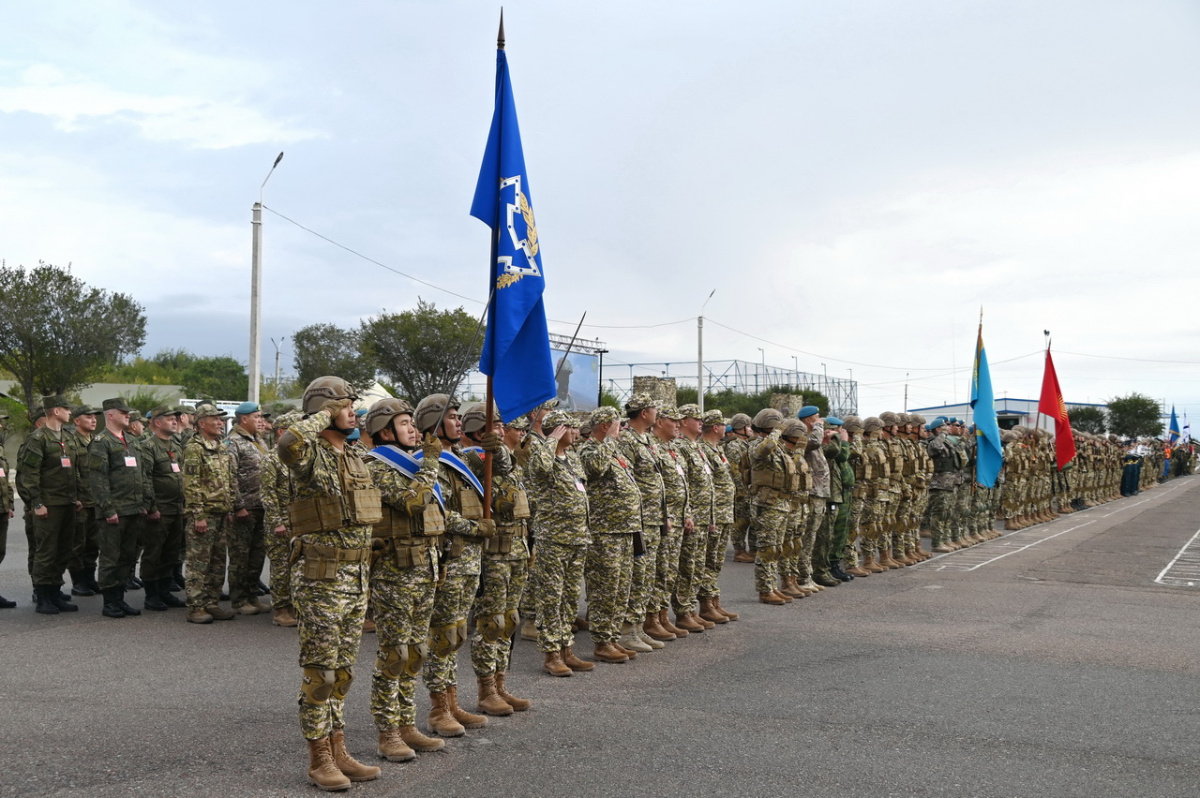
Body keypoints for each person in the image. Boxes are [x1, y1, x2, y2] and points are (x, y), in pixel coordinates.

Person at [277, 376, 382, 791]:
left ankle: (339, 749)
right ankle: (319, 758)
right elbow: (287, 444)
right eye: (344, 405)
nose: (352, 412)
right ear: (323, 410)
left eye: (352, 405)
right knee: (320, 673)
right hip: (321, 578)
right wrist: (323, 413)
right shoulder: (309, 453)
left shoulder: (354, 454)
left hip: (356, 577)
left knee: (341, 671)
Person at [361, 398, 447, 760]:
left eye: (413, 422)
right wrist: (430, 463)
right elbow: (412, 503)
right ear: (385, 433)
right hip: (394, 572)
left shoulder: (413, 463)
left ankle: (407, 723)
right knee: (394, 654)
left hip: (423, 567)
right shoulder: (377, 466)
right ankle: (388, 732)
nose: (413, 429)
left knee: (415, 651)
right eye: (404, 424)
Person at [411, 394, 495, 738]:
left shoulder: (460, 457)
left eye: (460, 417)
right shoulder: (428, 462)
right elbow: (440, 513)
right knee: (442, 634)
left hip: (469, 559)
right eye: (452, 417)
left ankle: (452, 700)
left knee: (457, 633)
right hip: (450, 558)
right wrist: (476, 528)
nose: (459, 422)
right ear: (433, 423)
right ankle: (438, 708)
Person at [459, 403, 533, 716]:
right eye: (496, 426)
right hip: (494, 553)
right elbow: (496, 463)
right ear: (478, 430)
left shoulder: (505, 457)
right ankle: (486, 688)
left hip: (516, 548)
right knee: (491, 623)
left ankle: (501, 682)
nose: (502, 431)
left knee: (509, 620)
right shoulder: (472, 457)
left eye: (503, 426)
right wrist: (498, 448)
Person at [522, 408, 593, 676]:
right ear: (557, 430)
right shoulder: (543, 457)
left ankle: (566, 648)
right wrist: (550, 440)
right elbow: (538, 468)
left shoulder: (572, 458)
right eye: (569, 427)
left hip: (577, 537)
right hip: (554, 539)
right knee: (551, 598)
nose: (575, 432)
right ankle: (551, 655)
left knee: (571, 597)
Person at [580, 405, 643, 663]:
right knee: (604, 588)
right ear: (605, 426)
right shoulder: (589, 450)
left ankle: (613, 637)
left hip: (624, 529)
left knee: (620, 588)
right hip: (604, 531)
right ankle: (601, 641)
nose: (622, 428)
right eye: (618, 424)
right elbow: (595, 468)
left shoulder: (614, 451)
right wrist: (608, 441)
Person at [17, 395, 83, 615]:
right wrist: (36, 503)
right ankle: (43, 596)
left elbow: (74, 470)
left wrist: (77, 497)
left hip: (67, 503)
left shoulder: (67, 437)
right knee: (46, 551)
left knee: (63, 550)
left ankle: (55, 592)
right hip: (49, 505)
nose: (70, 412)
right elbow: (29, 475)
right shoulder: (38, 439)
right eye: (66, 408)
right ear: (55, 411)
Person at [88, 397, 149, 619]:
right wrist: (108, 509)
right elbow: (98, 479)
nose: (128, 415)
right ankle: (110, 602)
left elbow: (140, 474)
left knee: (127, 556)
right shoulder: (101, 442)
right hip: (114, 511)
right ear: (111, 415)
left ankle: (120, 597)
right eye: (123, 412)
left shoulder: (131, 441)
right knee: (110, 557)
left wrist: (143, 503)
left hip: (133, 509)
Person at [182, 405, 238, 624]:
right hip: (204, 514)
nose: (220, 423)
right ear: (202, 423)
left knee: (217, 562)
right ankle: (196, 607)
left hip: (221, 513)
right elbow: (191, 483)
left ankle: (211, 602)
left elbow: (228, 479)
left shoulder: (220, 446)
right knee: (199, 563)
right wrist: (198, 515)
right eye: (215, 419)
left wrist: (230, 507)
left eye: (221, 419)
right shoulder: (194, 448)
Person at [139, 406, 187, 611]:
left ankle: (165, 591)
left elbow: (181, 475)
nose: (175, 421)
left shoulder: (175, 446)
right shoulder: (148, 446)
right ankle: (151, 595)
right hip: (160, 509)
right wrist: (151, 507)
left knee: (171, 552)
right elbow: (145, 478)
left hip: (176, 508)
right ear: (157, 423)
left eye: (176, 418)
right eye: (169, 419)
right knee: (153, 552)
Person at [226, 401, 271, 616]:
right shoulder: (233, 442)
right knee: (240, 557)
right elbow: (230, 476)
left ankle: (252, 595)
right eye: (256, 417)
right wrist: (238, 506)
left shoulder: (258, 440)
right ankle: (239, 599)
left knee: (257, 556)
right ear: (244, 419)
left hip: (261, 506)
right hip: (245, 508)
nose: (260, 421)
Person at [261, 411, 301, 627]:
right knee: (281, 567)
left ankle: (294, 605)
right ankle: (281, 609)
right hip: (279, 522)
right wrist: (277, 521)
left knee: (295, 565)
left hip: (297, 521)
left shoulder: (297, 458)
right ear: (281, 432)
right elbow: (268, 494)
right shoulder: (271, 459)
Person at [67, 405, 103, 596]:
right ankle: (78, 581)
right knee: (77, 544)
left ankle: (90, 578)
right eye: (88, 417)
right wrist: (74, 498)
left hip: (95, 500)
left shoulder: (97, 442)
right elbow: (70, 473)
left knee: (93, 543)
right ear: (76, 421)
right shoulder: (71, 442)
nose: (93, 420)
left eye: (95, 417)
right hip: (81, 501)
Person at [0, 411, 14, 608]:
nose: (1, 426)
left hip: (1, 508)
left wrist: (9, 503)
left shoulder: (0, 449)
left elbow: (4, 478)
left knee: (0, 552)